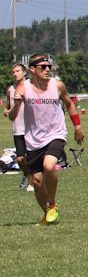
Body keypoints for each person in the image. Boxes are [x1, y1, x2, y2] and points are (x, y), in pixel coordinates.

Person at [5, 54, 84, 224]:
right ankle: (47, 212)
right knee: (36, 181)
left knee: (49, 166)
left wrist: (77, 126)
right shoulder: (23, 88)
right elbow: (12, 117)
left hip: (56, 133)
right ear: (32, 70)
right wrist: (17, 104)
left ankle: (52, 203)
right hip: (33, 139)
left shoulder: (57, 85)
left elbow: (69, 104)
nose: (48, 69)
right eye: (43, 67)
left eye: (49, 66)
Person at [7, 63, 31, 191]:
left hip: (31, 128)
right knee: (20, 159)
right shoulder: (11, 89)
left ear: (24, 72)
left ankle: (32, 183)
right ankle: (27, 174)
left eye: (18, 71)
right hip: (17, 128)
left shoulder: (31, 86)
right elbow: (8, 107)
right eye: (13, 72)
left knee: (31, 157)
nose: (15, 74)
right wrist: (7, 111)